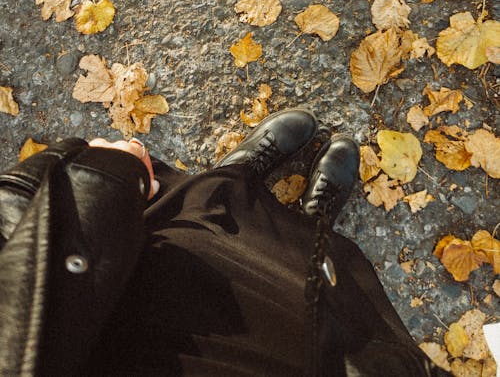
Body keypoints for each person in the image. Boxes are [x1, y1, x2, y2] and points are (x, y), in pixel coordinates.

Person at [0, 108, 447, 376]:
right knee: (318, 300)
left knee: (201, 230)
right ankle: (312, 230)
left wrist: (95, 188)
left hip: (104, 319)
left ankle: (234, 181)